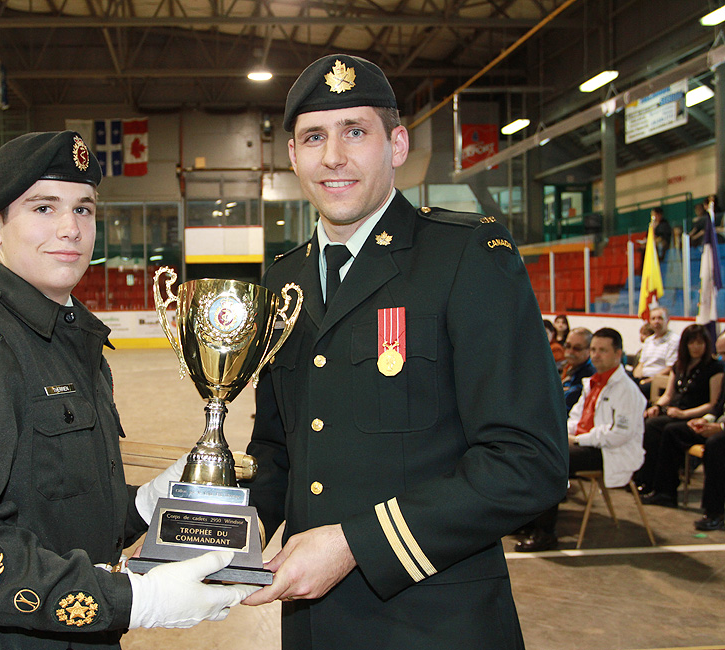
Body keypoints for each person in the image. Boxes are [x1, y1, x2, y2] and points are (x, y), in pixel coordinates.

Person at [239, 54, 569, 649]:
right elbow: (275, 451)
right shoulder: (280, 283)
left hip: (437, 623)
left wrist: (354, 545)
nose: (333, 156)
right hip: (313, 627)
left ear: (396, 144)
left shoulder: (466, 256)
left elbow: (528, 461)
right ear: (292, 156)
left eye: (355, 132)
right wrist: (216, 535)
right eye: (314, 136)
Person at [0, 131, 255, 650]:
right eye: (44, 207)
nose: (69, 229)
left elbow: (61, 511)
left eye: (83, 209)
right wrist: (136, 599)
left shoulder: (70, 340)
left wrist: (150, 504)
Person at [515, 328, 646, 552]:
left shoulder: (627, 390)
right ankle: (528, 521)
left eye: (602, 350)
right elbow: (576, 417)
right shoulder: (593, 383)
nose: (595, 355)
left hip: (609, 451)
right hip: (587, 443)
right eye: (593, 349)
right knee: (533, 451)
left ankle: (545, 534)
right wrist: (565, 436)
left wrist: (577, 440)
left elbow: (619, 434)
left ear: (618, 353)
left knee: (552, 461)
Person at [636, 324, 724, 506]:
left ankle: (666, 490)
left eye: (700, 343)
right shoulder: (680, 365)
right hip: (676, 411)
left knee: (669, 430)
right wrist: (656, 407)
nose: (696, 347)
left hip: (693, 413)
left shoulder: (714, 367)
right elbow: (668, 395)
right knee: (648, 423)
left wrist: (685, 414)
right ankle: (647, 481)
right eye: (692, 343)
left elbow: (713, 405)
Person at [685, 416, 725, 531]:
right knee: (673, 430)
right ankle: (664, 494)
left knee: (715, 444)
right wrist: (704, 420)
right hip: (718, 425)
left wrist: (721, 427)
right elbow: (716, 409)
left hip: (720, 430)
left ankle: (715, 514)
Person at [633, 306, 679, 397]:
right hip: (643, 378)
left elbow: (670, 368)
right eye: (653, 319)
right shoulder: (648, 340)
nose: (656, 322)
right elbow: (641, 364)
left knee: (640, 389)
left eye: (660, 318)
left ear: (667, 320)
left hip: (659, 380)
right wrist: (635, 378)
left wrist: (648, 380)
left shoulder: (674, 340)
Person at [561, 327, 596, 412]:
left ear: (589, 350)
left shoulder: (589, 376)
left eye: (577, 348)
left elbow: (565, 405)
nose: (570, 352)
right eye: (568, 346)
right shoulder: (567, 367)